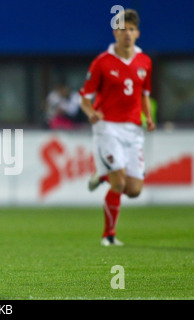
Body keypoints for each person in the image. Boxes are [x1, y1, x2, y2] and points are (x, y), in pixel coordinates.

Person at [79, 9, 155, 246]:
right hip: (107, 126)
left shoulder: (145, 61)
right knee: (119, 184)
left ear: (137, 33)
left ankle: (101, 174)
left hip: (133, 129)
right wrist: (91, 113)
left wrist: (149, 117)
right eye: (122, 29)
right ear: (115, 32)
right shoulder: (102, 62)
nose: (127, 33)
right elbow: (85, 97)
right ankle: (108, 235)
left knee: (133, 190)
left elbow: (144, 94)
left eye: (131, 29)